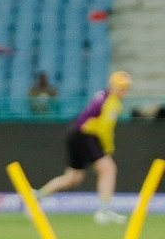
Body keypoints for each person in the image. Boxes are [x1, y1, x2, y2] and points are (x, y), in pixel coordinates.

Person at [34, 71, 132, 224]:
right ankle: (104, 211)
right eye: (120, 88)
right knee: (108, 169)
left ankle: (38, 196)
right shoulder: (111, 102)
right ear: (112, 86)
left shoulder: (103, 96)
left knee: (73, 177)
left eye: (125, 88)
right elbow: (104, 129)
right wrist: (107, 149)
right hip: (86, 135)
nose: (123, 91)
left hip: (76, 134)